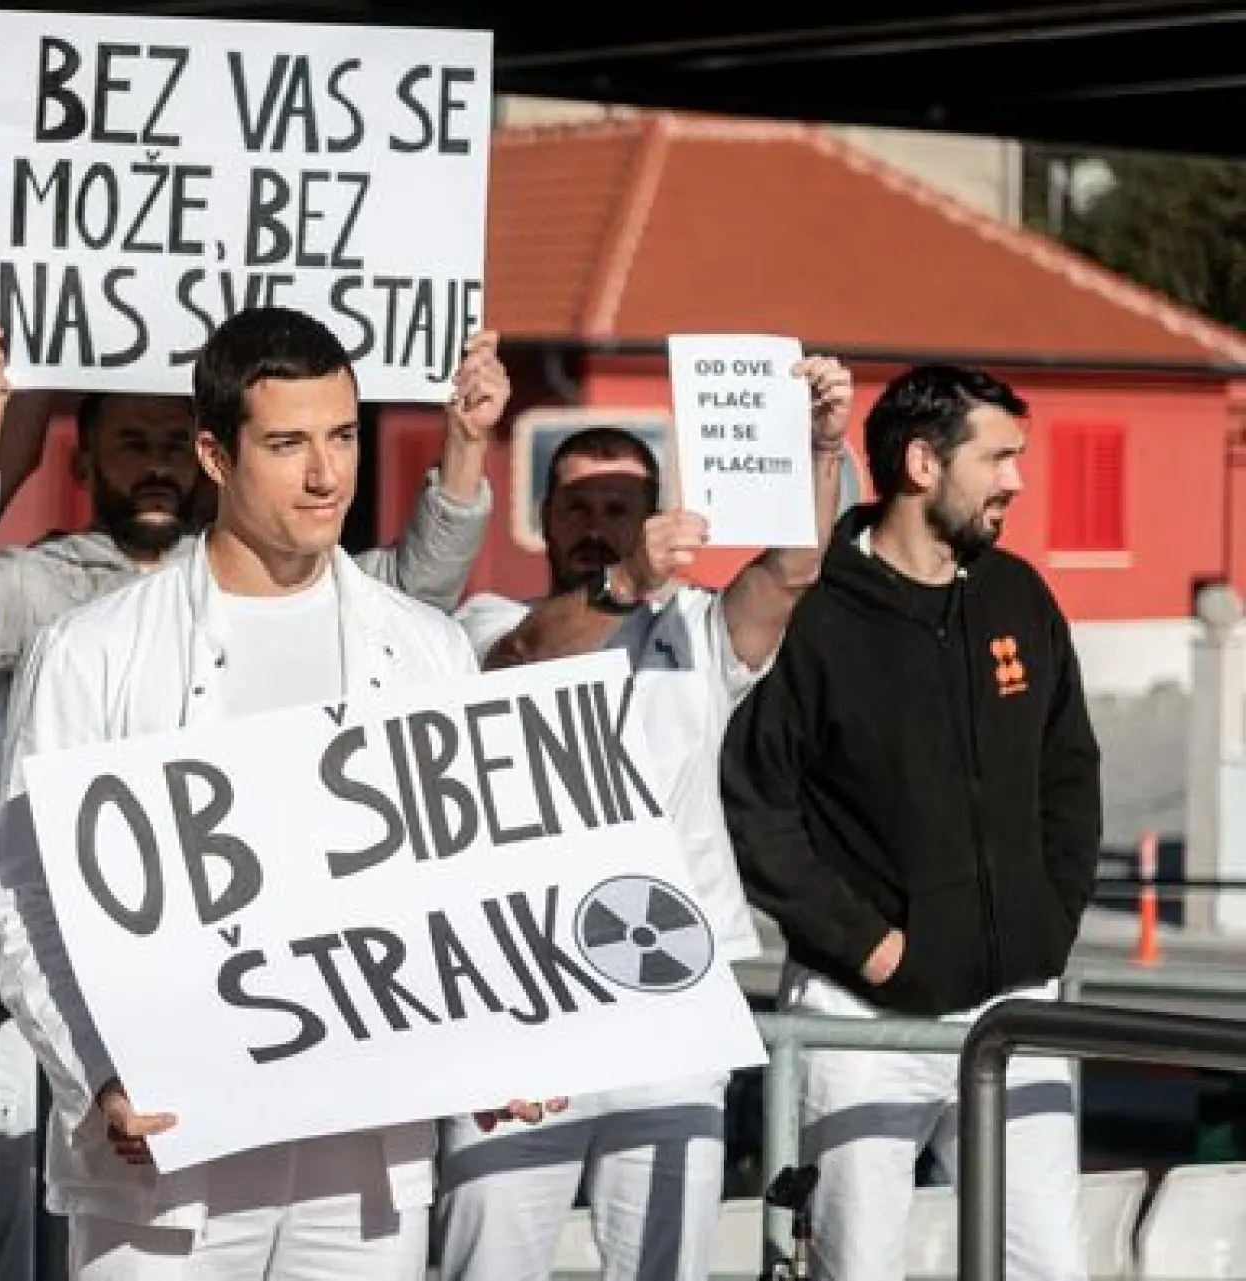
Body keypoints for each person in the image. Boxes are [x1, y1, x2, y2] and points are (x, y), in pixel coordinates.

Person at [0, 306, 556, 1281]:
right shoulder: (93, 650)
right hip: (167, 1137)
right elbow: (24, 894)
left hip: (363, 1150)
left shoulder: (424, 647)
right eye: (289, 444)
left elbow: (469, 877)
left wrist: (499, 1038)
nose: (326, 474)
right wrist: (101, 1070)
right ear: (214, 454)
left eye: (343, 437)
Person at [436, 356, 852, 1281]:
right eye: (578, 507)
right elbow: (525, 656)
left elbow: (792, 570)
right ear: (544, 519)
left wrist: (820, 449)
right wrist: (623, 582)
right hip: (518, 1000)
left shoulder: (701, 626)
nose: (596, 526)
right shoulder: (483, 621)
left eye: (619, 509)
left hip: (669, 996)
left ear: (654, 516)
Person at [719, 364, 1102, 1281]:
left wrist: (1048, 920)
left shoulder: (1019, 595)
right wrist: (868, 944)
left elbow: (1070, 772)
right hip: (862, 1015)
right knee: (857, 1265)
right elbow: (756, 803)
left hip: (1017, 1004)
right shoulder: (815, 613)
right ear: (923, 464)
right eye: (997, 457)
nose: (1018, 479)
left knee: (1047, 1265)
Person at [0, 319, 498, 695]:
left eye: (173, 445)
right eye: (133, 444)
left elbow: (417, 590)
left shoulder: (291, 574)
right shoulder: (55, 605)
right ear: (82, 462)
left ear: (206, 456)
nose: (158, 466)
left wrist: (468, 443)